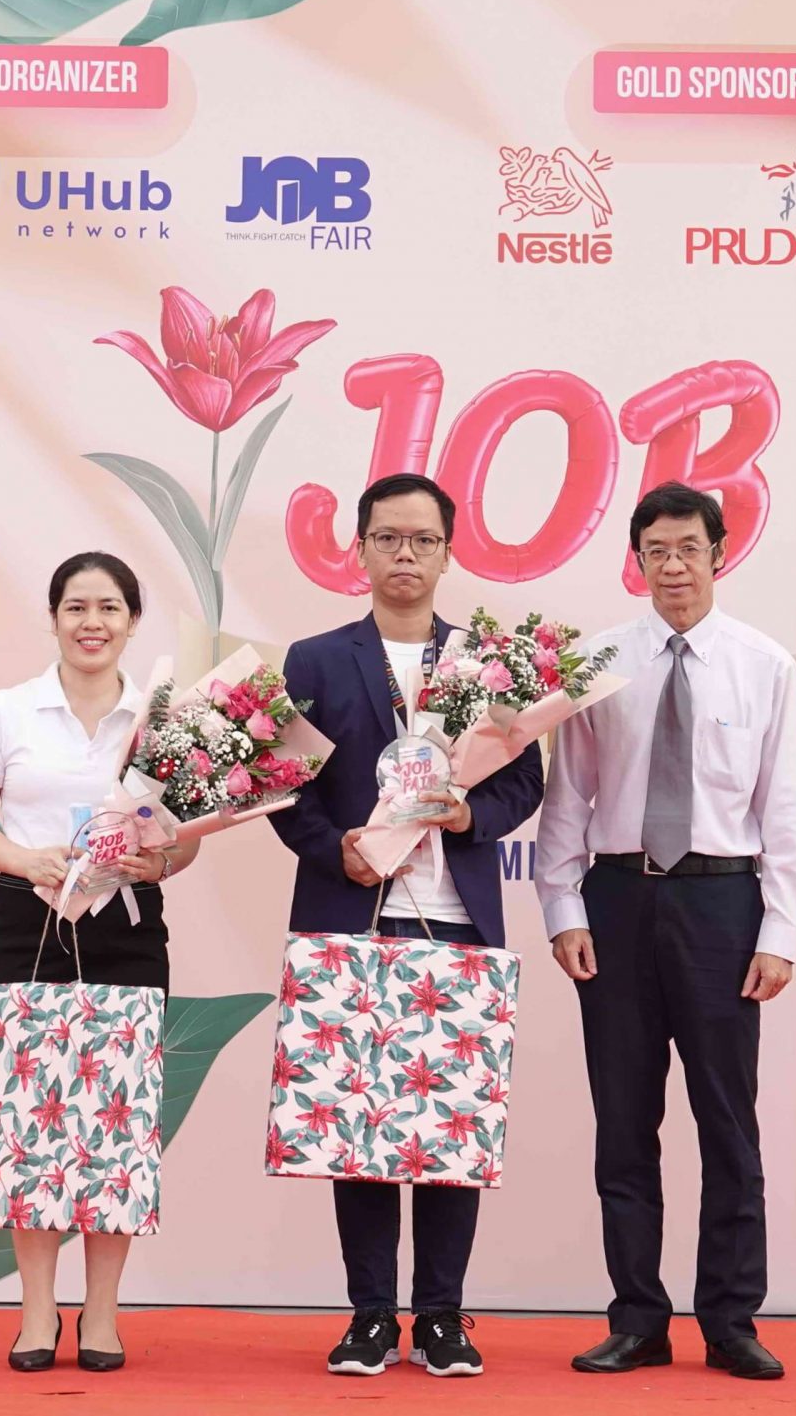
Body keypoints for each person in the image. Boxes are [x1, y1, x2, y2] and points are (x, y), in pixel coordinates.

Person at [532, 481, 796, 1383]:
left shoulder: (764, 664)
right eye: (656, 551)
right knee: (624, 1123)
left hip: (722, 906)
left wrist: (781, 931)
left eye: (689, 548)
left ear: (719, 554)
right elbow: (567, 796)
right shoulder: (599, 663)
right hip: (618, 900)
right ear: (638, 560)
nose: (674, 566)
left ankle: (730, 1320)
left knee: (728, 1123)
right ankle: (637, 1319)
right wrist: (564, 910)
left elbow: (787, 808)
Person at [268, 472, 546, 1379]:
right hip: (354, 912)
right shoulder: (314, 660)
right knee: (358, 1124)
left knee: (450, 1124)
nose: (405, 555)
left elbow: (523, 780)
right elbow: (282, 788)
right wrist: (334, 851)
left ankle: (442, 1317)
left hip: (457, 918)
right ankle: (369, 1315)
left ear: (447, 554)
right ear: (359, 548)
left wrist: (471, 816)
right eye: (388, 537)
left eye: (423, 540)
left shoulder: (488, 664)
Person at [0, 551, 201, 1375]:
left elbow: (186, 840)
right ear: (54, 617)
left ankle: (102, 1312)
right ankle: (35, 1310)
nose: (93, 622)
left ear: (133, 620)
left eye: (110, 607)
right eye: (77, 607)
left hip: (127, 923)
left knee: (116, 1119)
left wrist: (157, 861)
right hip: (30, 921)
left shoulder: (163, 718)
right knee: (29, 1118)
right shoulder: (8, 710)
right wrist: (26, 859)